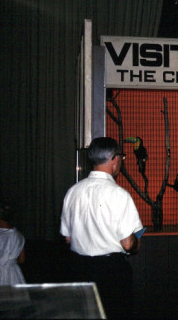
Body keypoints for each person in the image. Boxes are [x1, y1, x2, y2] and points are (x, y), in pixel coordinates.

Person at [60, 137, 144, 319]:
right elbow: (128, 244)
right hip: (110, 272)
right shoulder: (119, 195)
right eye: (121, 157)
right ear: (114, 159)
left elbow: (67, 238)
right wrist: (137, 242)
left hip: (77, 269)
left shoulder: (73, 192)